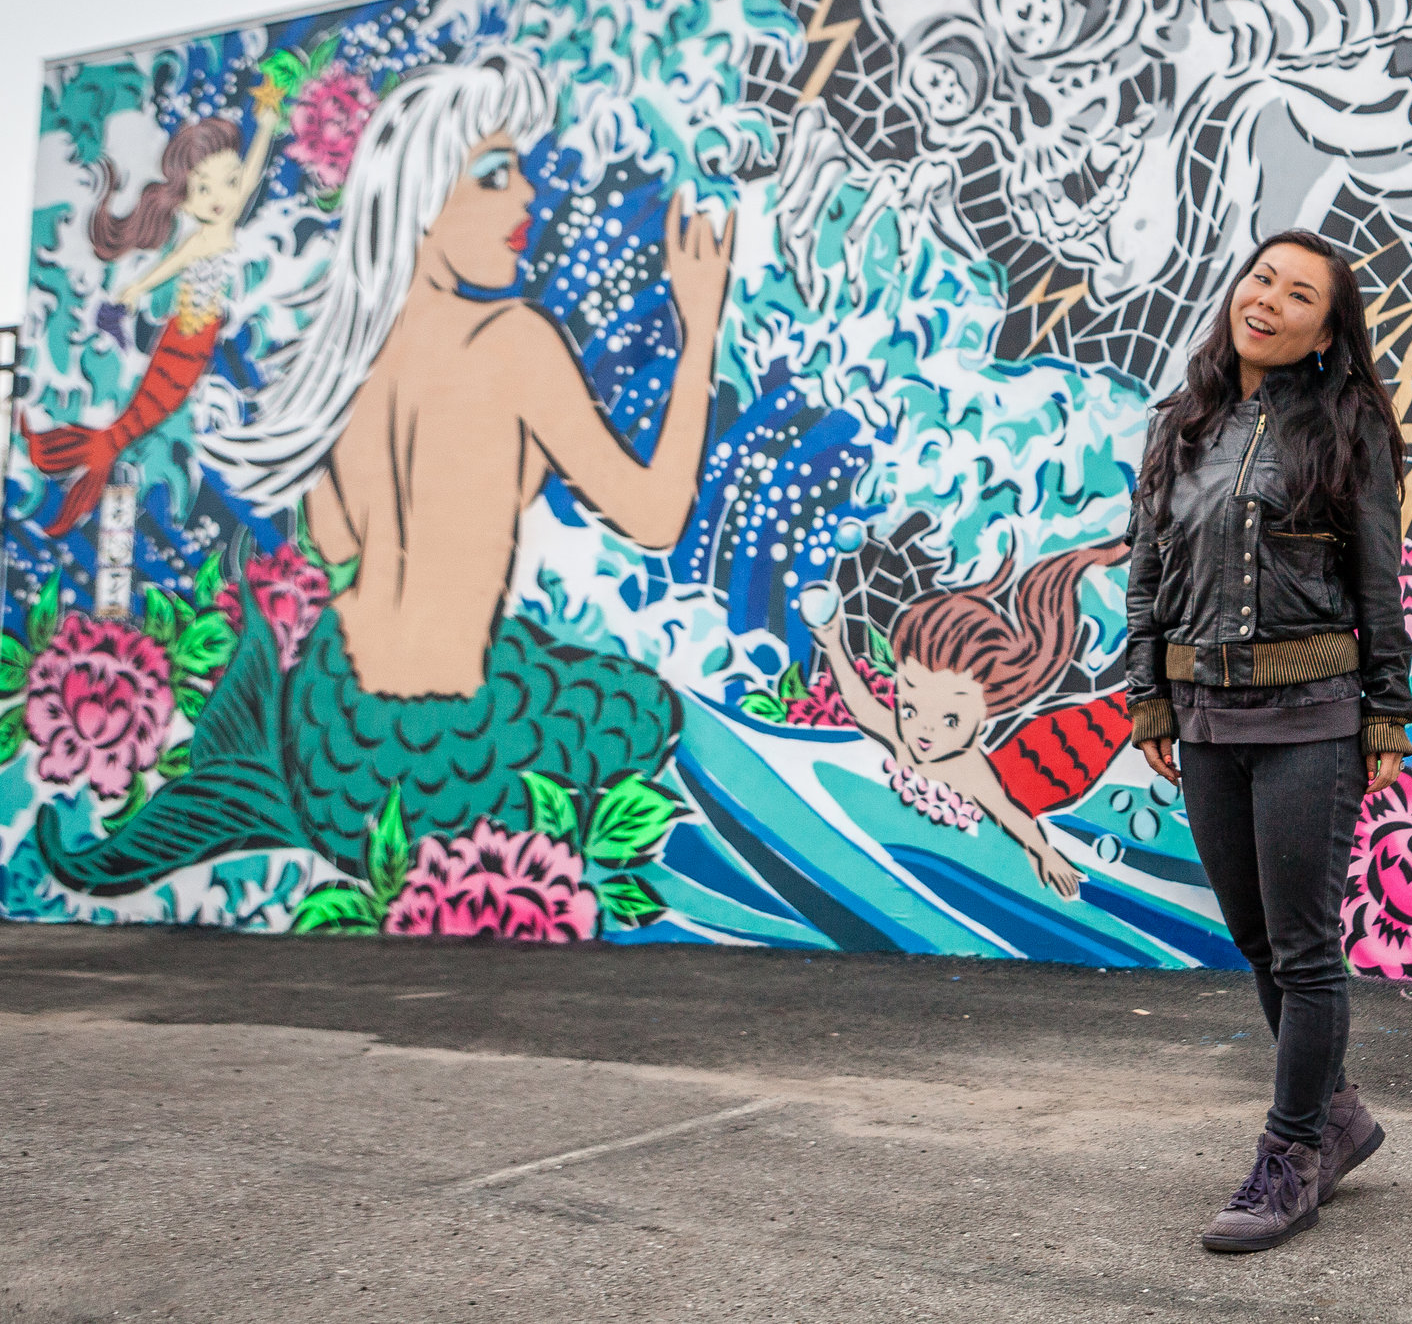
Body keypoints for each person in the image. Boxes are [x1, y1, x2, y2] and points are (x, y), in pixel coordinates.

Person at [40, 51, 725, 894]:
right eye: (497, 174)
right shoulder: (515, 343)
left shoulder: (348, 361)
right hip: (447, 772)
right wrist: (699, 332)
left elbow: (330, 540)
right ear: (427, 192)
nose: (525, 199)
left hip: (333, 740)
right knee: (643, 715)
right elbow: (657, 517)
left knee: (544, 668)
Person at [1125, 230, 1412, 1253]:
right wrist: (1147, 700)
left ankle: (1289, 1155)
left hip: (1312, 716)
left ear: (1326, 330)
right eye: (1261, 278)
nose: (1269, 301)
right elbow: (1146, 571)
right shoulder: (1181, 422)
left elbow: (1378, 579)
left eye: (1299, 295)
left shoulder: (1349, 429)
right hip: (1203, 717)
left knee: (1302, 948)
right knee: (1255, 940)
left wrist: (1386, 711)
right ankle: (1337, 1116)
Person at [20, 80, 291, 536]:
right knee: (141, 418)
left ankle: (90, 451)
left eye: (227, 182)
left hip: (192, 343)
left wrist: (266, 124)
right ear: (185, 197)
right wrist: (134, 290)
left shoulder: (222, 225)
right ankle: (88, 453)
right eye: (204, 187)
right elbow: (167, 267)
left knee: (140, 420)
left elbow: (251, 173)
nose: (221, 196)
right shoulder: (203, 237)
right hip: (183, 343)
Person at [798, 540, 1129, 898]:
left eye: (950, 720)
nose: (924, 729)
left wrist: (1044, 852)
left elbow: (1008, 814)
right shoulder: (901, 735)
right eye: (910, 707)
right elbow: (861, 705)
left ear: (983, 719)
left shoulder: (967, 768)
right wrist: (833, 643)